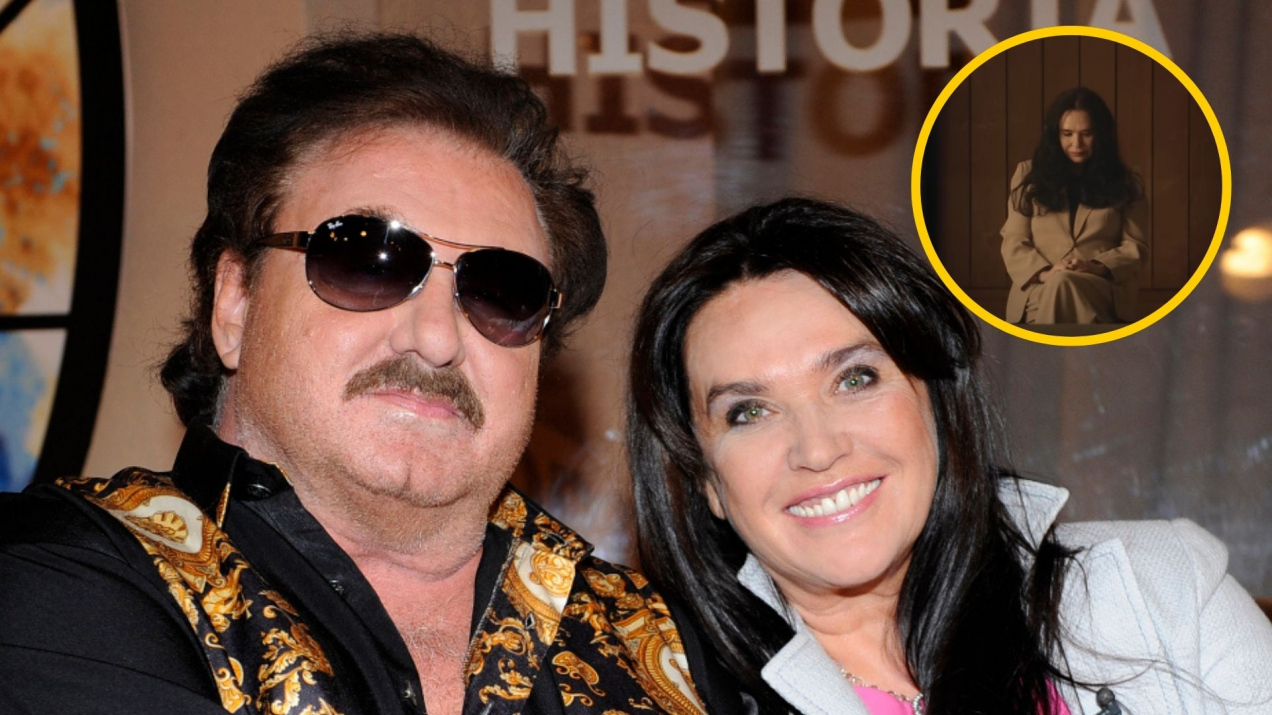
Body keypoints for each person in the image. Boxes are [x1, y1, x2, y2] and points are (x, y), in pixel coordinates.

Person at [0, 32, 720, 715]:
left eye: (502, 291)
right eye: (366, 260)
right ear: (235, 303)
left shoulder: (675, 646)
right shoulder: (56, 579)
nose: (436, 337)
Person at [627, 197, 1272, 714]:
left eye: (855, 379)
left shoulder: (1160, 591)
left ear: (935, 400)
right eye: (749, 412)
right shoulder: (657, 691)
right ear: (705, 477)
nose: (818, 449)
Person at [1001, 87, 1146, 325]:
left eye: (1086, 134)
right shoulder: (1028, 175)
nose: (1076, 143)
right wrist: (1046, 273)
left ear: (1101, 135)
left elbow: (1135, 247)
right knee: (1059, 282)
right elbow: (1014, 241)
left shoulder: (1126, 180)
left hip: (1099, 290)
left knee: (1064, 283)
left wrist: (1096, 267)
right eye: (1067, 134)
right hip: (1037, 292)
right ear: (1054, 135)